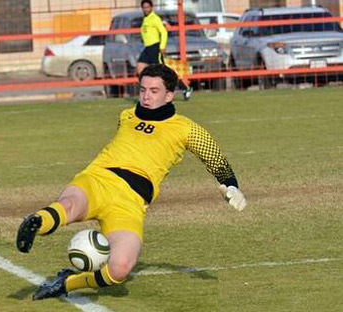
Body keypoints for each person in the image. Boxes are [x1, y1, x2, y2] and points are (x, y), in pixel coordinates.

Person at [16, 64, 246, 300]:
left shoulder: (186, 128)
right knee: (69, 205)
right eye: (143, 89)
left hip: (131, 203)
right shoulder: (126, 115)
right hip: (99, 179)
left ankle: (66, 283)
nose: (146, 96)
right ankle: (35, 224)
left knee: (120, 267)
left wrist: (232, 186)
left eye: (154, 91)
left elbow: (215, 158)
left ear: (169, 95)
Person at [136, 0, 193, 101]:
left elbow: (164, 32)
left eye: (147, 7)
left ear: (151, 7)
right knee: (140, 68)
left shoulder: (154, 18)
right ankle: (148, 94)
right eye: (144, 7)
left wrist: (162, 47)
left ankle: (185, 88)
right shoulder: (146, 19)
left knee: (163, 72)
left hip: (155, 48)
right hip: (147, 49)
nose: (146, 9)